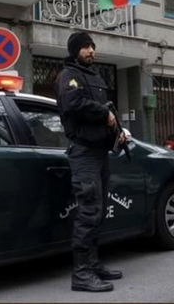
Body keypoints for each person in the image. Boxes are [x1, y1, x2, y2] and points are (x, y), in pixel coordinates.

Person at [55, 31, 125, 292]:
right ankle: (81, 274)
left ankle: (93, 264)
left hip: (99, 151)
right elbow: (74, 104)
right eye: (85, 47)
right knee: (89, 211)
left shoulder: (95, 76)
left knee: (99, 210)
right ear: (75, 51)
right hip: (83, 152)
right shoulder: (68, 76)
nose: (91, 50)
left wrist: (117, 132)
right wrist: (103, 112)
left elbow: (106, 113)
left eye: (92, 46)